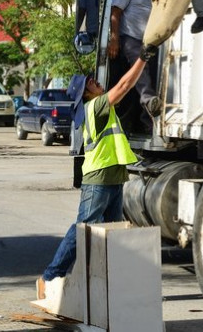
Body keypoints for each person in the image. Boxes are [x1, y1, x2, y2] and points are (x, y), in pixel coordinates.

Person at [37, 44, 158, 298]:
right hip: (99, 178)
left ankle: (106, 287)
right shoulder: (96, 107)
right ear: (87, 95)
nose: (96, 82)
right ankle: (49, 277)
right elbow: (124, 86)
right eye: (91, 83)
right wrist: (142, 60)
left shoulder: (99, 107)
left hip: (113, 177)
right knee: (83, 228)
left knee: (111, 235)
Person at [109, 0, 160, 124]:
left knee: (155, 74)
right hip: (130, 36)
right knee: (141, 65)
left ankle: (148, 120)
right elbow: (115, 12)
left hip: (151, 38)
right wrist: (114, 39)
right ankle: (148, 98)